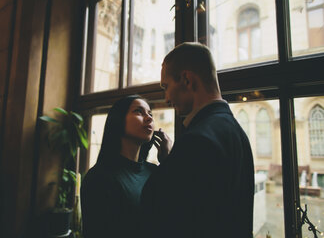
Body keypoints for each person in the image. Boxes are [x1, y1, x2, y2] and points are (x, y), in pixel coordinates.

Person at [141, 42, 255, 238]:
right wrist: (171, 161)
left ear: (186, 79)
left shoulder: (197, 140)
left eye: (166, 87)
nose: (166, 98)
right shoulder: (237, 133)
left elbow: (165, 215)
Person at [81, 95, 172, 238]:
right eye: (138, 111)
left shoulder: (154, 171)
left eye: (150, 113)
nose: (149, 118)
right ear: (118, 120)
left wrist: (168, 162)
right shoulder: (99, 178)